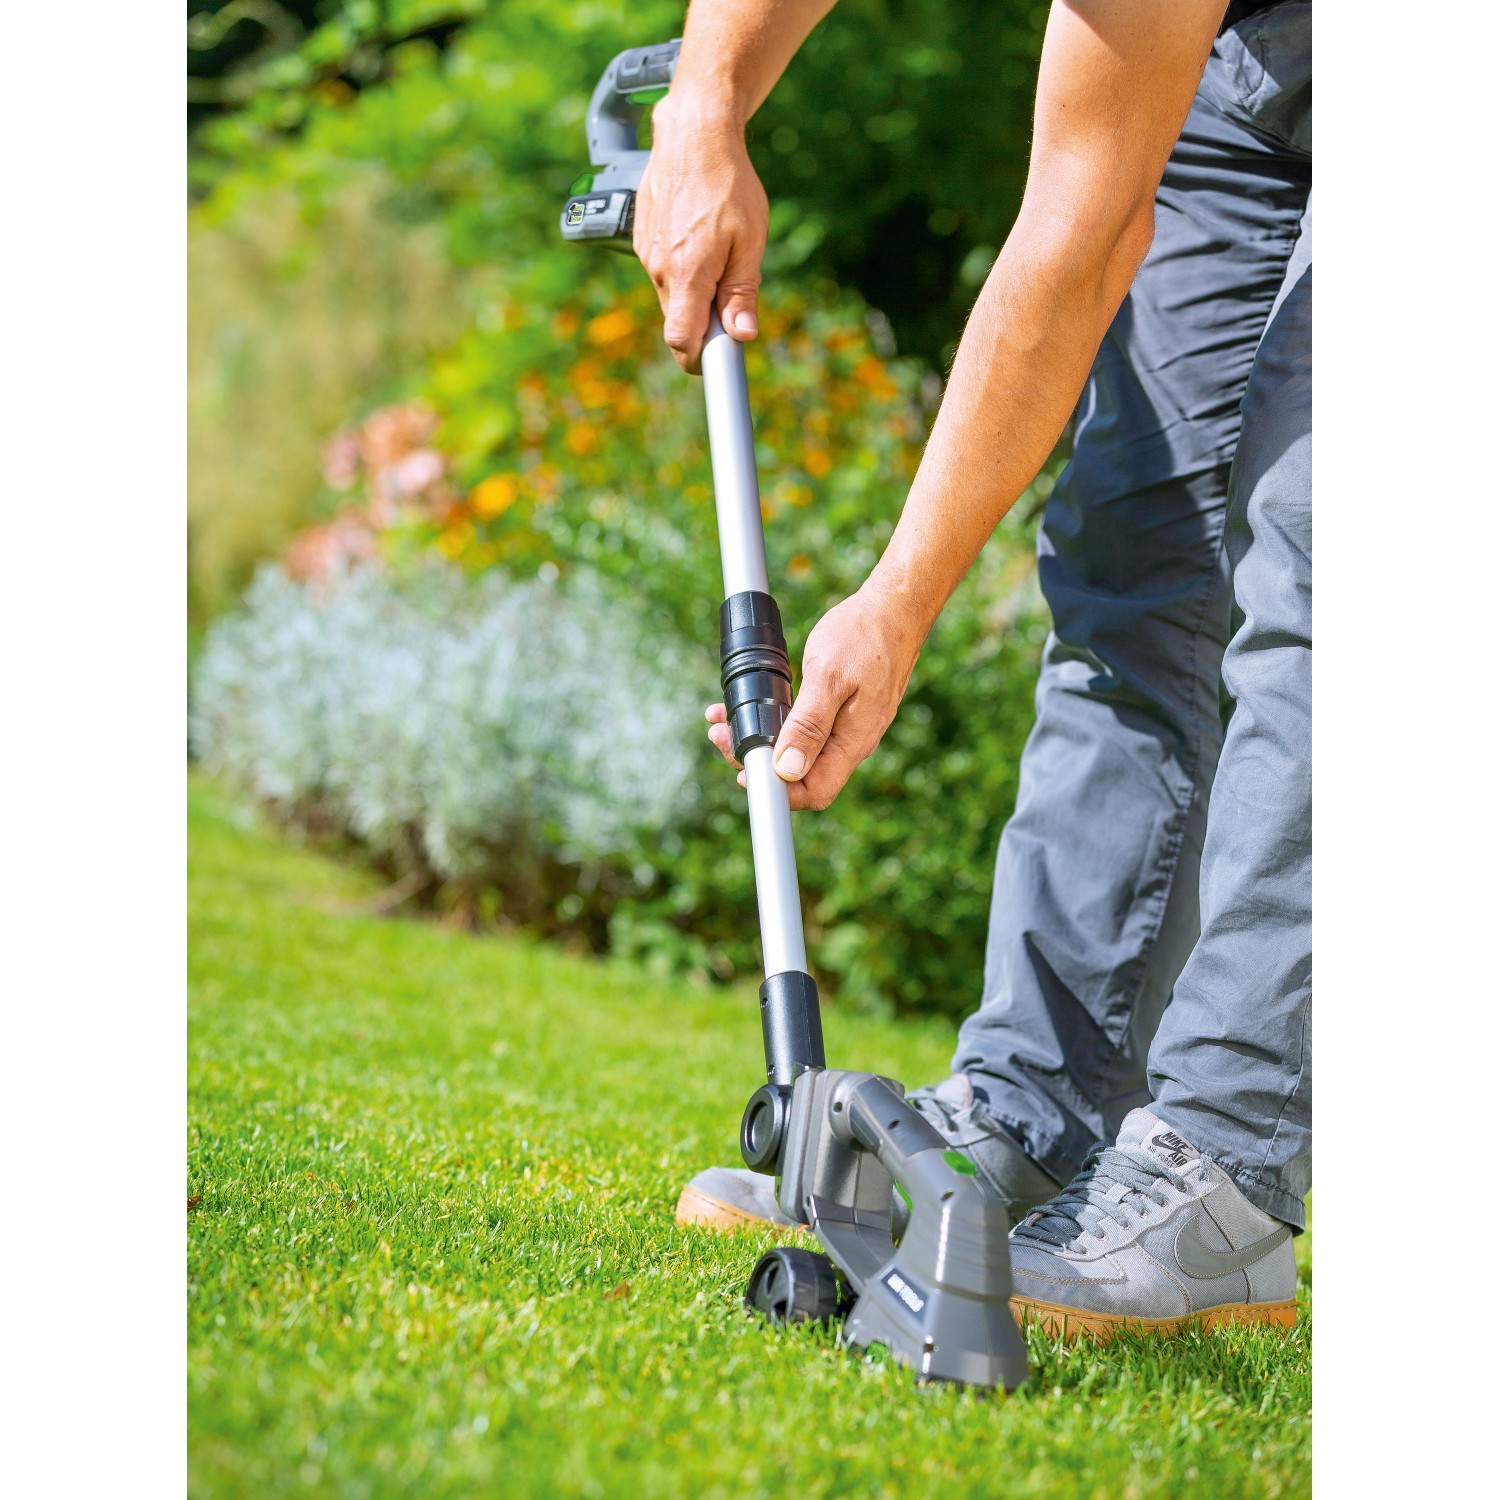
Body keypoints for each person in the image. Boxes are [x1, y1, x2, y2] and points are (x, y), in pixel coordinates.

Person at [640, 0, 1311, 1338]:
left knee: (1324, 569)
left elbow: (1084, 216)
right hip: (1251, 65)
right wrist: (703, 100)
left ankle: (1224, 1170)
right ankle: (1025, 1115)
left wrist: (894, 605)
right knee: (1133, 554)